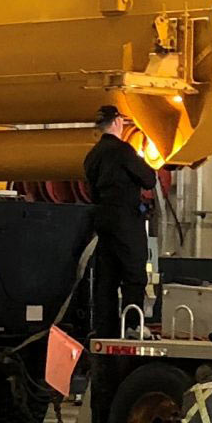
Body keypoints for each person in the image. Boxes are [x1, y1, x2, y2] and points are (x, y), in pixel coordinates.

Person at [83, 105, 157, 339]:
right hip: (126, 219)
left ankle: (106, 329)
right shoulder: (124, 151)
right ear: (117, 122)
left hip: (102, 218)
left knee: (107, 277)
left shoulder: (92, 155)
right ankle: (133, 326)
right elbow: (149, 179)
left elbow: (91, 190)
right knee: (134, 272)